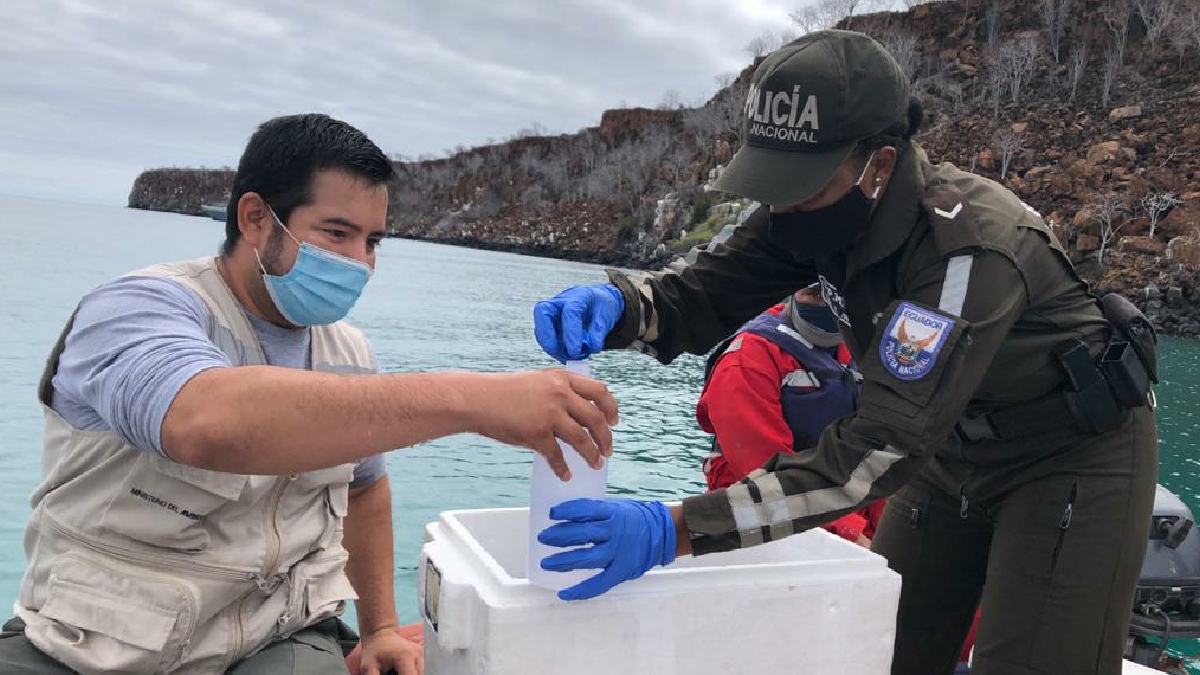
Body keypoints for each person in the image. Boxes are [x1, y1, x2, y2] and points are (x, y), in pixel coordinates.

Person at [532, 30, 1158, 675]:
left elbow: (877, 446)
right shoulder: (810, 211)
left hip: (1070, 453)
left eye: (797, 184)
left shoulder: (967, 251)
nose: (779, 203)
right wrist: (622, 309)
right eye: (769, 182)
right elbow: (699, 294)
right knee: (888, 648)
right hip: (951, 450)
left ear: (878, 165)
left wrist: (678, 529)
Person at [0, 114, 617, 675]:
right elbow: (202, 420)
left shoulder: (349, 352)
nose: (359, 262)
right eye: (337, 233)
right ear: (254, 218)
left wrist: (378, 629)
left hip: (277, 636)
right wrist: (475, 400)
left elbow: (365, 486)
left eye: (372, 242)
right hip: (96, 645)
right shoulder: (136, 309)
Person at [697, 285, 882, 546]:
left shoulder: (861, 347)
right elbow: (761, 472)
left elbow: (879, 449)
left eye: (837, 295)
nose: (826, 304)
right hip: (765, 522)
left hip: (849, 509)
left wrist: (885, 531)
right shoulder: (749, 356)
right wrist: (851, 533)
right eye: (815, 294)